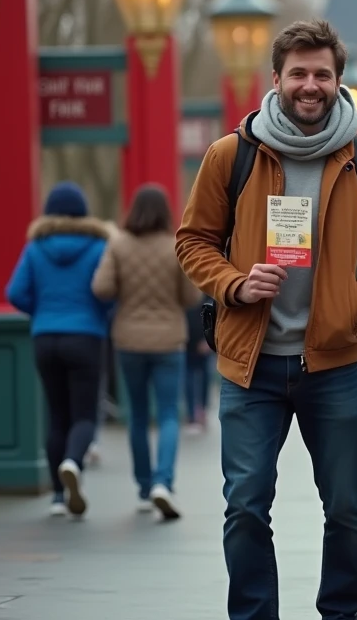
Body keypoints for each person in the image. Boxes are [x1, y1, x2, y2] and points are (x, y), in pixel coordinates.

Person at [176, 19, 357, 620]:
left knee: (346, 506)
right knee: (246, 506)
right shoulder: (231, 156)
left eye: (322, 75)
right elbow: (193, 241)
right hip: (249, 366)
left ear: (339, 82)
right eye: (299, 74)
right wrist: (234, 283)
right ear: (277, 79)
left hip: (332, 364)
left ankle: (340, 611)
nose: (310, 86)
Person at [91, 184, 199, 520]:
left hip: (129, 341)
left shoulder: (118, 245)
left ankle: (142, 485)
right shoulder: (175, 247)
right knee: (168, 413)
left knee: (137, 415)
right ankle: (163, 482)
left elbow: (101, 288)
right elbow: (192, 298)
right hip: (169, 341)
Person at [5, 182, 111, 518]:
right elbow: (108, 291)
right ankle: (73, 461)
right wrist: (99, 316)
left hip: (45, 338)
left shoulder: (36, 247)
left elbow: (15, 292)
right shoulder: (97, 246)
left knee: (56, 415)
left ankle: (55, 497)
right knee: (84, 414)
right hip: (85, 337)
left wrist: (42, 312)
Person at [183, 296, 213, 433]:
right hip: (187, 337)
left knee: (204, 375)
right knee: (190, 376)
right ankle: (192, 414)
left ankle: (201, 411)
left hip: (200, 336)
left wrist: (208, 338)